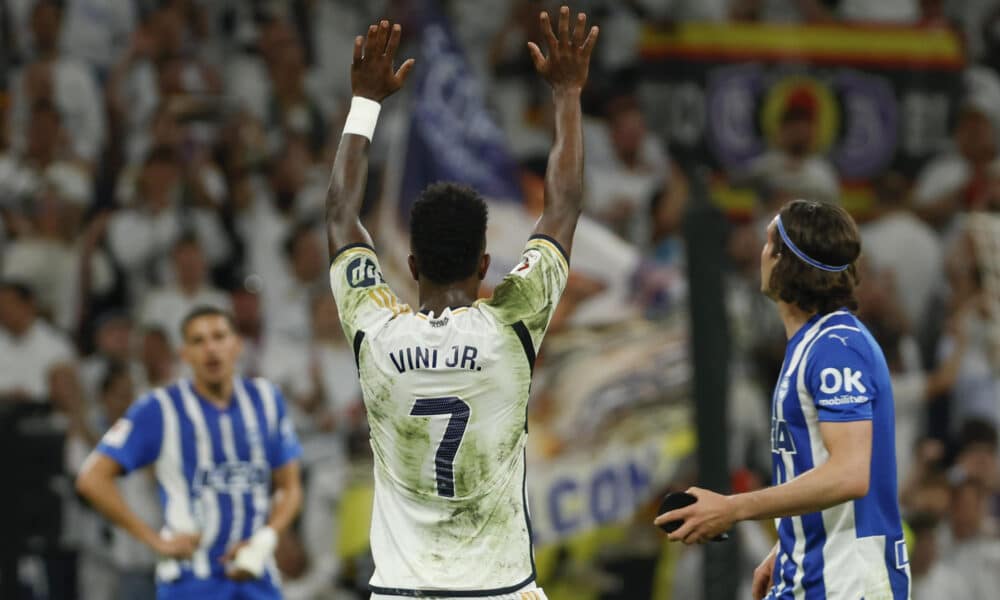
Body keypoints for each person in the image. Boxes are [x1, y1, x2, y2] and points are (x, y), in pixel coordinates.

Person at [324, 8, 597, 598]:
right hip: (499, 589)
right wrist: (568, 93)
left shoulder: (375, 330)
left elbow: (342, 216)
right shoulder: (513, 325)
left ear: (412, 266)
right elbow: (563, 205)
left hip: (402, 591)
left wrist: (364, 102)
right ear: (484, 265)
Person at [654, 200, 911, 599]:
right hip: (811, 573)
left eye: (768, 242)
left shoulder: (837, 348)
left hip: (846, 584)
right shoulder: (814, 344)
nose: (760, 253)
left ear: (785, 262)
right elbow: (822, 469)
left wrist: (733, 508)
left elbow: (850, 473)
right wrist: (791, 542)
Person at [75, 306, 303, 599]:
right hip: (189, 581)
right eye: (198, 341)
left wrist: (267, 538)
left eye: (219, 336)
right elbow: (91, 478)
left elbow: (290, 485)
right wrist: (154, 540)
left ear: (237, 345)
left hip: (257, 575)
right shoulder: (161, 408)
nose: (210, 349)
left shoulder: (266, 400)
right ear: (184, 354)